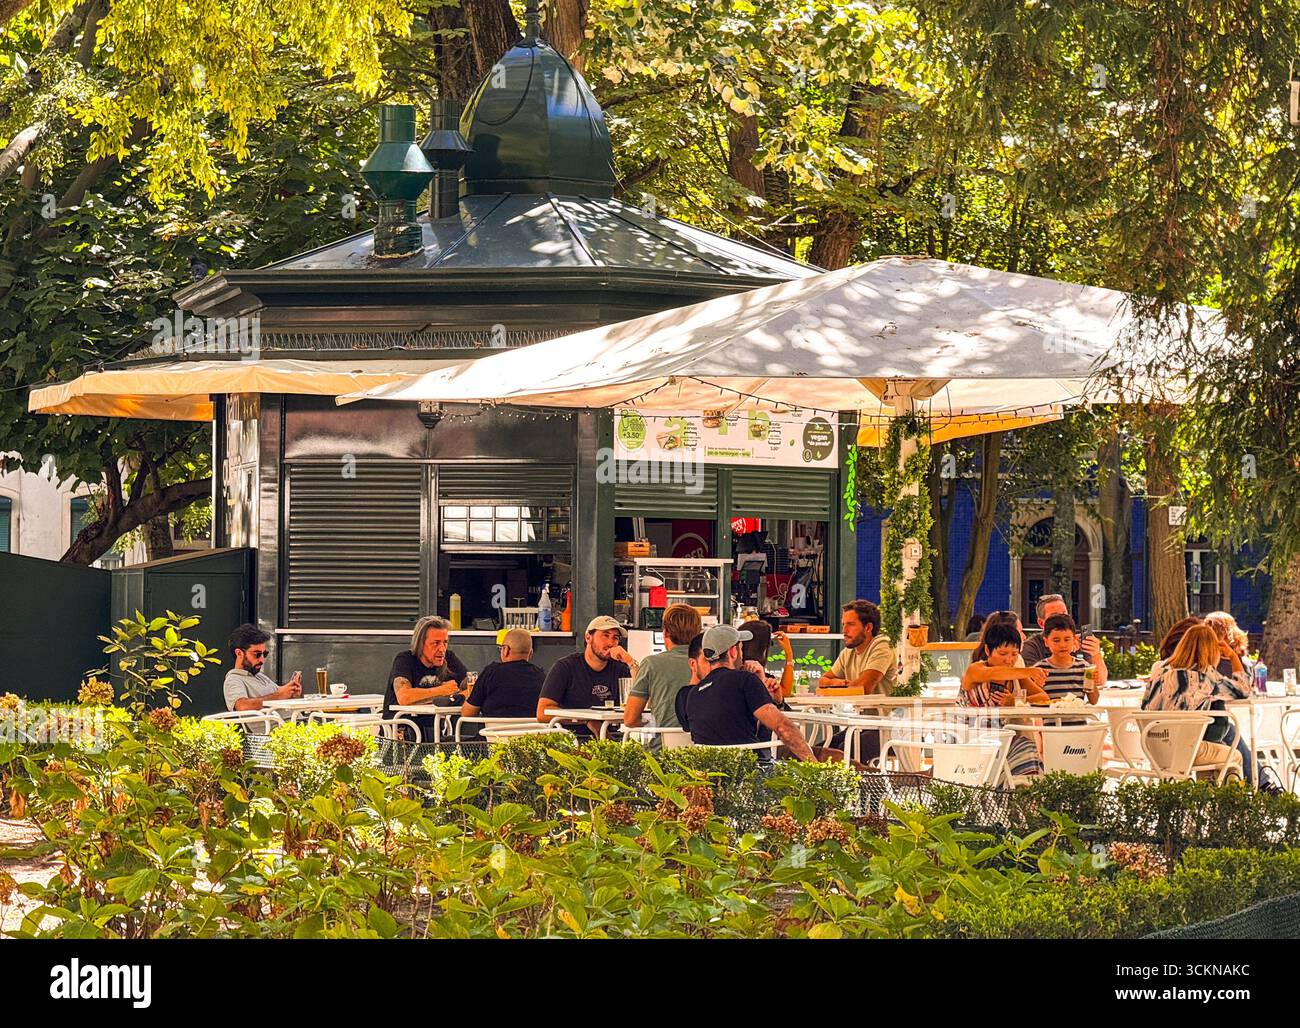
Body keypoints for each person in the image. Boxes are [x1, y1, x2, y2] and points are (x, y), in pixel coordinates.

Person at [1141, 623, 1261, 785]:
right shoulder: (1204, 678)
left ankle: (1206, 798)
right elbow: (1243, 689)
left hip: (1155, 751)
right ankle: (1228, 804)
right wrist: (1233, 656)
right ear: (1212, 651)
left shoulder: (1159, 675)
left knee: (1208, 745)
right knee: (1234, 756)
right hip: (1185, 752)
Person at [681, 625, 814, 761]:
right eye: (741, 648)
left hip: (710, 774)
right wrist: (816, 767)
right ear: (733, 652)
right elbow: (782, 728)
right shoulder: (745, 681)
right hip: (751, 771)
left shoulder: (694, 694)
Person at [958, 619, 1050, 777]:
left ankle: (1020, 794)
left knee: (1027, 748)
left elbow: (1044, 698)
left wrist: (1016, 701)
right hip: (969, 739)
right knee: (1026, 748)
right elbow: (994, 673)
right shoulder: (976, 670)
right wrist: (1029, 672)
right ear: (988, 650)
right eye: (1002, 654)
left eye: (1014, 654)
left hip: (1002, 740)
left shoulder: (1016, 675)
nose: (1009, 660)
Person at [538, 615, 638, 736]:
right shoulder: (565, 667)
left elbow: (641, 702)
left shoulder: (621, 668)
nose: (611, 643)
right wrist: (586, 720)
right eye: (605, 635)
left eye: (615, 638)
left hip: (612, 739)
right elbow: (542, 712)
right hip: (573, 739)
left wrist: (630, 662)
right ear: (588, 637)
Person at [624, 604, 701, 747]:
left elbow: (630, 719)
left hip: (661, 752)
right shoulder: (707, 664)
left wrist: (654, 719)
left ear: (665, 633)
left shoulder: (651, 664)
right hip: (701, 752)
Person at [384, 615, 468, 740]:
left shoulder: (449, 658)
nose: (442, 649)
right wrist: (442, 691)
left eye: (445, 642)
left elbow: (473, 687)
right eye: (435, 643)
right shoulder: (405, 660)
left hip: (434, 734)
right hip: (402, 735)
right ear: (420, 644)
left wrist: (456, 697)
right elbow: (404, 697)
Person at [459, 628, 546, 732]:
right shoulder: (542, 677)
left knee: (449, 741)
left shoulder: (491, 672)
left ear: (506, 650)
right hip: (530, 744)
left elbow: (468, 713)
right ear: (530, 653)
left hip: (492, 744)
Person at [1020, 593, 1108, 686]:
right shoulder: (1031, 647)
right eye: (1055, 616)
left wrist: (1096, 654)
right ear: (1041, 623)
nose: (1061, 620)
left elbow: (1100, 682)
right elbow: (1033, 682)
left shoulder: (1078, 642)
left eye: (1064, 615)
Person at [819, 600, 897, 694]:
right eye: (843, 624)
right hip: (856, 708)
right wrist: (835, 682)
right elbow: (822, 682)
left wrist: (837, 686)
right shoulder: (847, 652)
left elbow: (863, 687)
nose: (844, 630)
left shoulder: (882, 646)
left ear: (868, 628)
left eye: (851, 625)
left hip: (884, 708)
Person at [223, 623, 302, 711]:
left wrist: (291, 693)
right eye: (257, 654)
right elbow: (242, 706)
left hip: (293, 720)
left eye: (264, 654)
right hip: (276, 723)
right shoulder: (234, 680)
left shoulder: (260, 676)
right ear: (239, 653)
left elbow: (279, 695)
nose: (262, 660)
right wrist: (279, 695)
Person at [1033, 613, 1100, 703]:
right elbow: (1034, 701)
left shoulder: (1083, 667)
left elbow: (1094, 701)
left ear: (1074, 639)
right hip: (1050, 716)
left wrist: (1092, 682)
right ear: (1046, 641)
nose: (1062, 645)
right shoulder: (1040, 669)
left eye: (1067, 639)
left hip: (1077, 716)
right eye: (1056, 640)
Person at [739, 619, 794, 698]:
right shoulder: (759, 676)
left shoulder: (731, 670)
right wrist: (789, 654)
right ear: (763, 649)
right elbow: (785, 692)